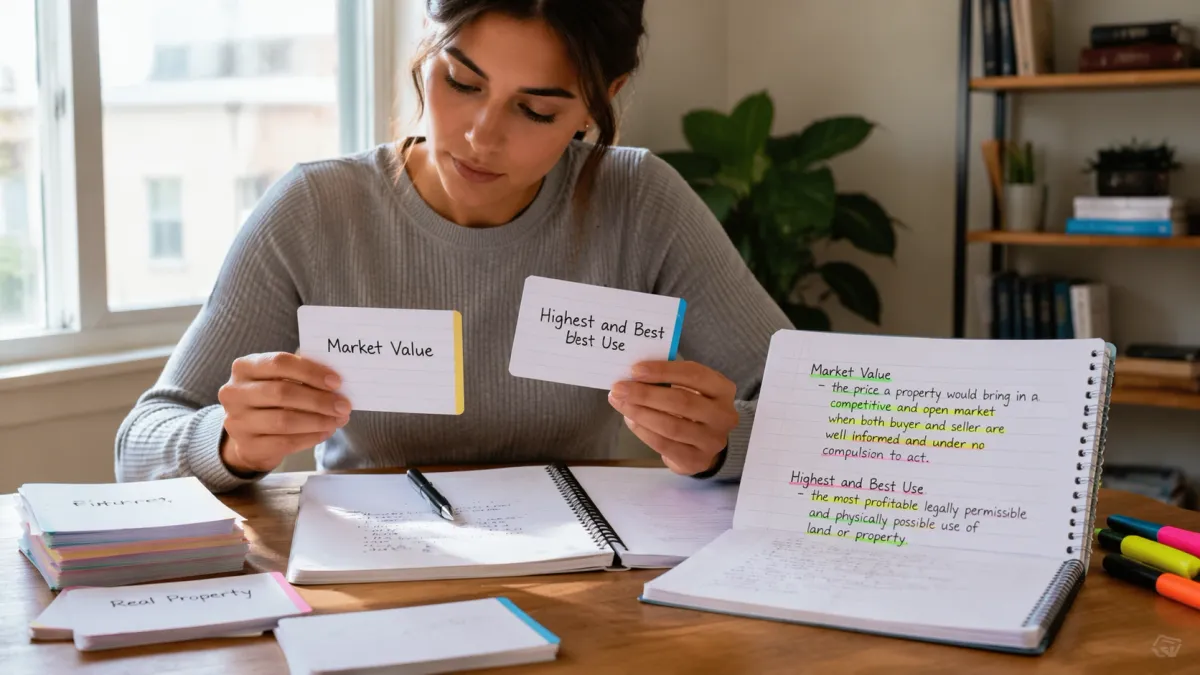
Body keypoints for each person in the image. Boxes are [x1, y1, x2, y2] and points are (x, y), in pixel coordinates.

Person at [115, 0, 792, 493]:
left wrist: (721, 439)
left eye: (536, 109)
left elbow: (808, 417)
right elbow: (140, 446)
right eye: (461, 83)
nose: (480, 135)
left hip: (587, 585)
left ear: (600, 100)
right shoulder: (315, 209)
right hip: (373, 586)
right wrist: (229, 443)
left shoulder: (640, 201)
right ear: (426, 47)